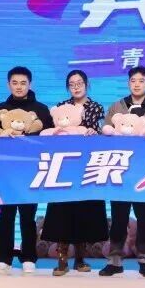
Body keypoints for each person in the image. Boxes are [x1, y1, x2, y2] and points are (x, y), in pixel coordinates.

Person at [41, 70, 108, 276]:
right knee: (62, 210)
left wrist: (95, 132)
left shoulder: (96, 107)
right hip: (65, 166)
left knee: (84, 210)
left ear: (87, 84)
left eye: (79, 83)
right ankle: (62, 259)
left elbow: (102, 132)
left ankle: (80, 258)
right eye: (72, 84)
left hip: (87, 166)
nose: (76, 87)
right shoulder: (61, 107)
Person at [102, 66, 145, 278]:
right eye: (133, 81)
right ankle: (114, 260)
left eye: (141, 81)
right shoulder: (116, 106)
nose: (137, 84)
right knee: (118, 217)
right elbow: (106, 133)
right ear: (128, 83)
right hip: (119, 169)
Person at [0, 66, 54, 275]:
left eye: (23, 83)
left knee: (28, 216)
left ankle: (28, 257)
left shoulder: (41, 110)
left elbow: (50, 138)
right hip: (5, 172)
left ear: (30, 84)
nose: (19, 87)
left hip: (31, 171)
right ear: (8, 84)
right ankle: (3, 259)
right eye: (15, 83)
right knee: (5, 216)